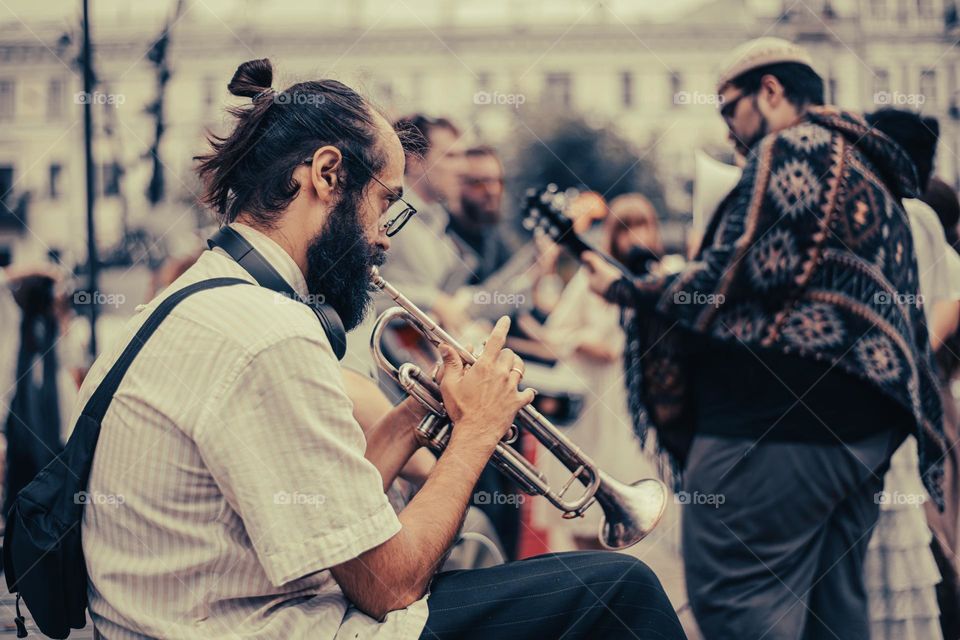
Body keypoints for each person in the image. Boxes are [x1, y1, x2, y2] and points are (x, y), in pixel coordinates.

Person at [79, 58, 685, 640]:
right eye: (385, 204)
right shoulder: (270, 335)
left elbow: (326, 517)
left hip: (191, 616)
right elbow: (387, 584)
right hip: (265, 626)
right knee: (624, 587)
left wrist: (420, 417)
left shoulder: (189, 301)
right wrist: (477, 431)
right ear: (325, 175)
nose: (381, 239)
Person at [584, 37, 944, 639]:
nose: (729, 132)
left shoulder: (794, 146)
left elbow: (736, 274)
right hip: (866, 427)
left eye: (729, 108)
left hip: (775, 422)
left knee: (737, 604)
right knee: (836, 615)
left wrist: (627, 290)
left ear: (771, 92)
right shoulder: (870, 167)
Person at [863, 108, 960, 640]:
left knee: (919, 533)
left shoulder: (911, 218)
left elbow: (934, 324)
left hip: (903, 405)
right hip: (905, 404)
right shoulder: (915, 217)